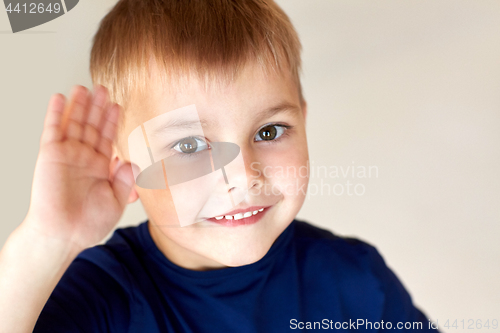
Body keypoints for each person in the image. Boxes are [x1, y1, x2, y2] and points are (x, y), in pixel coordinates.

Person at [0, 0, 439, 332]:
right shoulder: (99, 295)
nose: (244, 175)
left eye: (269, 132)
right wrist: (47, 240)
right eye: (190, 145)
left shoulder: (354, 278)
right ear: (122, 163)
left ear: (303, 121)